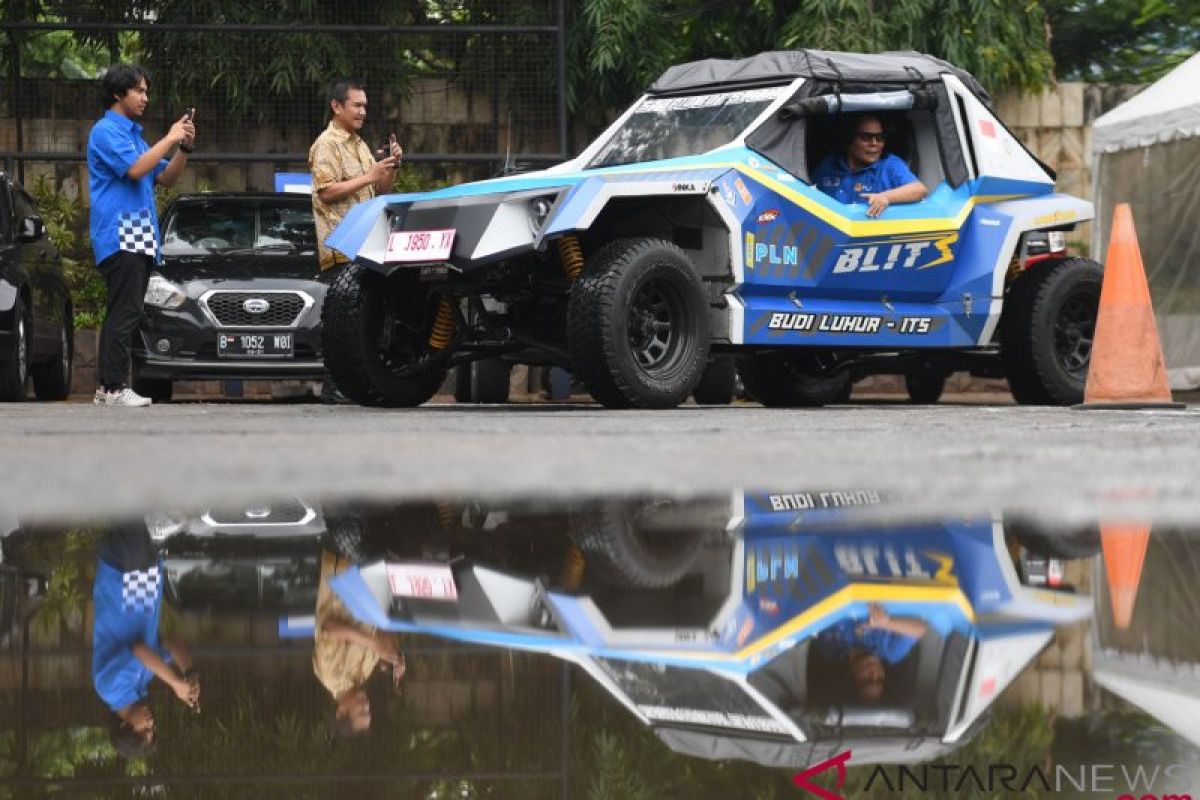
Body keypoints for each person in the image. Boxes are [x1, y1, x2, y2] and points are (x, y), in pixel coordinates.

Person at [87, 63, 195, 407]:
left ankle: (108, 388)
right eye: (139, 91)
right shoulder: (105, 131)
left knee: (126, 310)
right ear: (118, 93)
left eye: (146, 91)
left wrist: (183, 149)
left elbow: (166, 178)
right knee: (126, 311)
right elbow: (135, 170)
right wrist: (169, 138)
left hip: (139, 233)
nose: (145, 97)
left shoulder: (135, 137)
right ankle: (115, 388)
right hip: (120, 233)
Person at [308, 79, 402, 402]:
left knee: (367, 318)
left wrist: (390, 168)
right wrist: (369, 176)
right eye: (357, 105)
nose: (363, 110)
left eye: (365, 105)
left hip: (366, 245)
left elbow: (380, 192)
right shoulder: (326, 144)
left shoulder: (360, 145)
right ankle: (335, 388)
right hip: (340, 247)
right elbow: (326, 192)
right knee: (344, 320)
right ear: (337, 107)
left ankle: (357, 386)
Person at [92, 520, 200, 758]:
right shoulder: (143, 681)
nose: (151, 723)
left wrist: (175, 684)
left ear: (124, 727)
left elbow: (140, 650)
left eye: (146, 729)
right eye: (153, 729)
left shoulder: (110, 689)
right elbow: (172, 644)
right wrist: (189, 674)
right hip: (142, 581)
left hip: (122, 577)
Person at [313, 547, 405, 738]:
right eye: (368, 712)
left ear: (341, 711)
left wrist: (375, 645)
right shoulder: (362, 676)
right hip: (372, 571)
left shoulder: (329, 675)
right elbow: (380, 628)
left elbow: (330, 628)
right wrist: (394, 656)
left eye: (361, 712)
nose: (367, 706)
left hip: (345, 562)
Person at [812, 113, 928, 218]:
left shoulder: (890, 163)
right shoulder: (829, 164)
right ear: (849, 140)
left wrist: (885, 197)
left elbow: (919, 190)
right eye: (866, 137)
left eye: (879, 138)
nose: (874, 143)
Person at [813, 602, 927, 702]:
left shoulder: (830, 648)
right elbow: (920, 629)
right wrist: (884, 623)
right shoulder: (891, 652)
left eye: (867, 680)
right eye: (880, 679)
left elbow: (814, 612)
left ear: (852, 678)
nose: (874, 673)